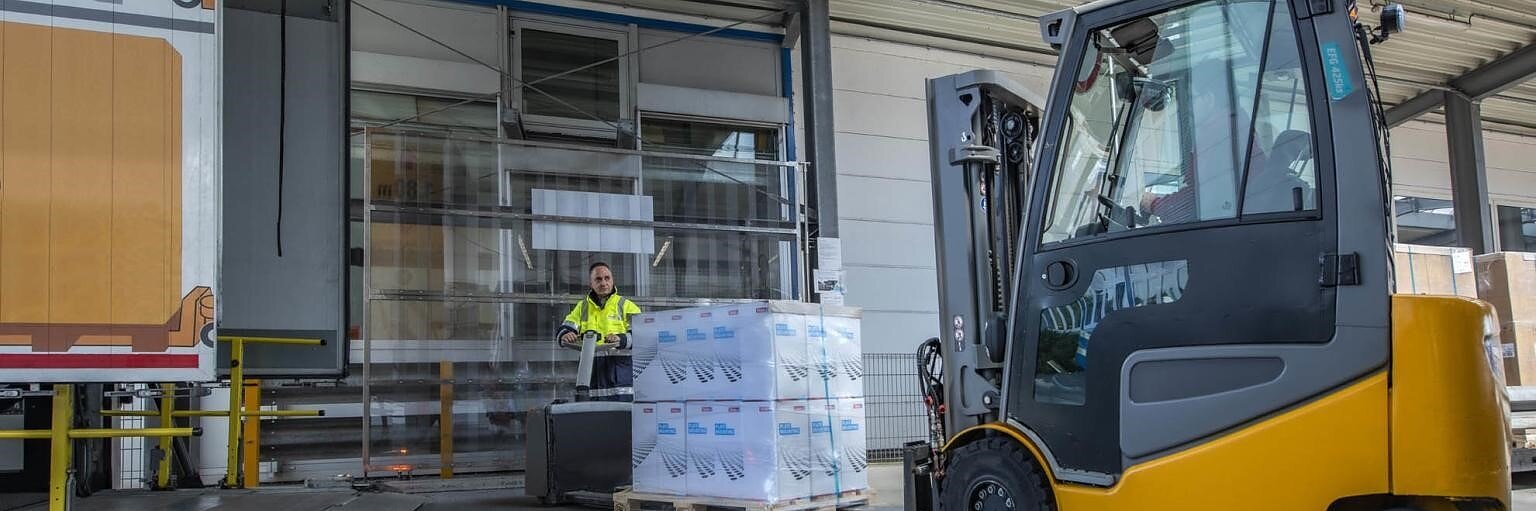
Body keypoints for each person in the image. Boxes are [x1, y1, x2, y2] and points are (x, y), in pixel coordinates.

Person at [555, 262, 642, 401]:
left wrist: (621, 339)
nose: (603, 283)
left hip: (620, 378)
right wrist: (566, 334)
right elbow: (564, 329)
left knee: (622, 420)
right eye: (598, 279)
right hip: (591, 377)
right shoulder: (582, 307)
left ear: (613, 280)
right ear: (591, 283)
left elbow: (642, 336)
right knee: (592, 419)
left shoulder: (626, 306)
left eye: (607, 278)